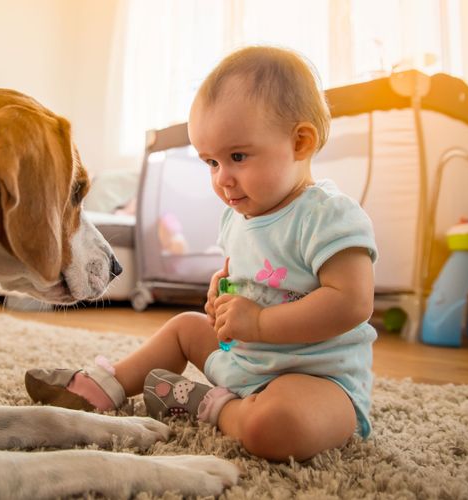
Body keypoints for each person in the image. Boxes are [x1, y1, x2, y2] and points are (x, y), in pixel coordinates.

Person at [25, 46, 378, 462]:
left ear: (300, 143)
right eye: (211, 162)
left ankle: (212, 405)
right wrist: (220, 296)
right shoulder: (238, 216)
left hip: (315, 380)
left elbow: (352, 302)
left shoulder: (328, 215)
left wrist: (261, 321)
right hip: (245, 359)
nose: (223, 179)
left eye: (238, 157)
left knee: (278, 429)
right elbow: (242, 278)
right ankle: (106, 384)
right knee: (184, 328)